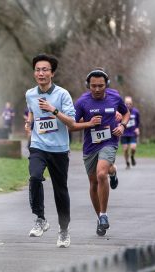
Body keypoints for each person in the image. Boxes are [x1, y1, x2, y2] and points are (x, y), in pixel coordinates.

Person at [25, 54, 76, 248]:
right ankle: (40, 218)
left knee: (60, 190)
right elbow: (31, 110)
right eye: (38, 69)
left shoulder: (62, 94)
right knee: (35, 177)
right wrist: (29, 122)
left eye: (45, 69)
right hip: (38, 145)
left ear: (52, 73)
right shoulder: (30, 94)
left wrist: (53, 110)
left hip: (59, 149)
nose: (41, 73)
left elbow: (71, 122)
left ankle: (64, 231)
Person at [71, 68, 130, 236]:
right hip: (90, 146)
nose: (97, 89)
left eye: (100, 86)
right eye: (93, 86)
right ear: (88, 86)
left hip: (109, 141)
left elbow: (126, 113)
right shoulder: (82, 102)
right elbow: (73, 125)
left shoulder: (115, 97)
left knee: (101, 174)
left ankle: (104, 214)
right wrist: (88, 123)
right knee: (93, 183)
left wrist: (122, 126)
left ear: (107, 85)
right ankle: (99, 218)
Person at [120, 96, 140, 169]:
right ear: (124, 104)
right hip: (124, 133)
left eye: (130, 103)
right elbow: (117, 121)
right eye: (126, 103)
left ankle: (132, 156)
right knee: (125, 150)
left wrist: (137, 128)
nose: (128, 105)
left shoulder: (136, 112)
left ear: (132, 104)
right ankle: (127, 163)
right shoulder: (121, 112)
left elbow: (138, 122)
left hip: (132, 133)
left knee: (133, 148)